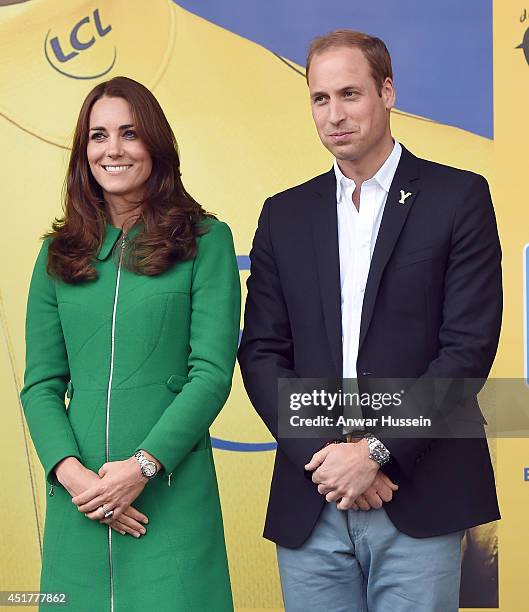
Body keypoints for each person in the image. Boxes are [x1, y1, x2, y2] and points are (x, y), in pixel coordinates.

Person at [238, 30, 502, 611]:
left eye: (350, 94)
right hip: (314, 494)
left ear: (387, 92)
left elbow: (467, 349)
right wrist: (329, 457)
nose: (334, 114)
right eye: (320, 98)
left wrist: (376, 451)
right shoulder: (284, 214)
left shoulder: (457, 197)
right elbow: (260, 351)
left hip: (422, 491)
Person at [20, 76, 240, 611]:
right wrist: (78, 481)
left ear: (156, 145)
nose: (112, 149)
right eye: (98, 136)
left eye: (129, 133)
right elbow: (41, 385)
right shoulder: (57, 253)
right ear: (83, 151)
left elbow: (210, 374)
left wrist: (141, 468)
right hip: (81, 505)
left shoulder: (207, 242)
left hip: (170, 497)